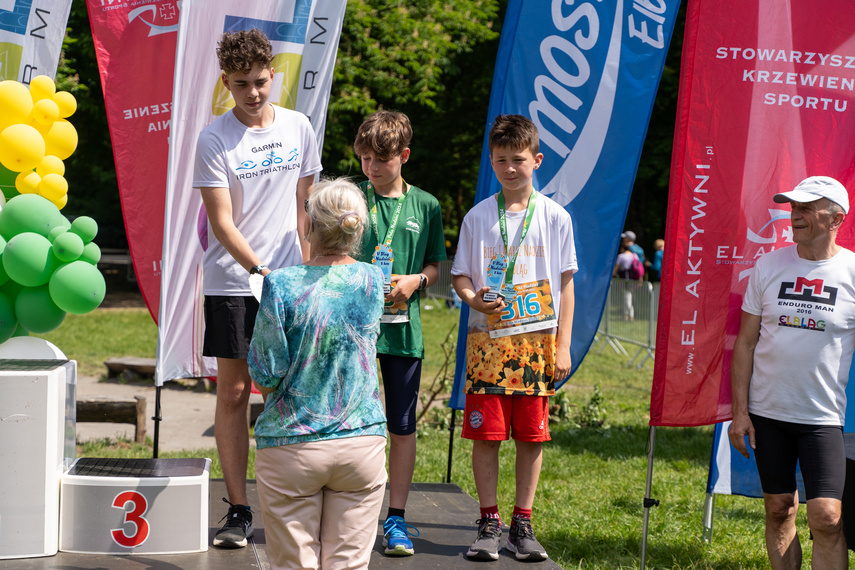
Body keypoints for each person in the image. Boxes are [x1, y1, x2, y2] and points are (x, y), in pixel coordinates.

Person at [192, 28, 321, 548]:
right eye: (241, 83)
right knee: (235, 392)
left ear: (275, 76)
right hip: (233, 282)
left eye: (261, 82)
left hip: (292, 281)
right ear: (226, 82)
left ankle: (294, 504)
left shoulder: (299, 126)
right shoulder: (213, 138)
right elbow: (222, 223)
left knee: (290, 393)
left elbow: (306, 208)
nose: (252, 93)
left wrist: (308, 273)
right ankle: (240, 510)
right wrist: (263, 272)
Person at [451, 114, 576, 561]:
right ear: (491, 160)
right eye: (500, 160)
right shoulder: (478, 217)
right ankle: (488, 522)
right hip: (488, 348)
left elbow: (565, 284)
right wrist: (474, 300)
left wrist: (562, 345)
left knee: (531, 437)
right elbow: (462, 275)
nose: (509, 168)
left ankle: (522, 523)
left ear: (536, 160)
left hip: (537, 348)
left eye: (518, 160)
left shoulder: (556, 217)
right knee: (487, 437)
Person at [248, 178, 388, 570]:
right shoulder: (374, 281)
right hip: (361, 443)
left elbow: (265, 373)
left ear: (310, 225)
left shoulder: (280, 284)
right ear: (357, 227)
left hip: (292, 445)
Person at [728, 175, 855, 570]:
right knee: (779, 509)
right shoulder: (768, 265)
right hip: (768, 414)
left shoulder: (852, 271)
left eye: (805, 208)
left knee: (828, 517)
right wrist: (740, 413)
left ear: (835, 219)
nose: (794, 215)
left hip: (822, 417)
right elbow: (745, 344)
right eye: (792, 207)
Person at [352, 110, 447, 556]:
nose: (372, 167)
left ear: (404, 156)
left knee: (401, 426)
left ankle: (397, 518)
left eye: (382, 159)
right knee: (351, 423)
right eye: (366, 157)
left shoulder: (426, 205)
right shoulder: (350, 198)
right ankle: (351, 512)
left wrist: (416, 282)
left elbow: (434, 264)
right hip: (352, 332)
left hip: (403, 334)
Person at [613, 241, 641, 321]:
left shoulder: (621, 256)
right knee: (627, 296)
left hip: (625, 278)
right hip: (634, 278)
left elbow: (617, 267)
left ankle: (630, 315)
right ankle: (625, 315)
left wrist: (613, 275)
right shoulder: (634, 255)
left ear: (622, 248)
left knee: (627, 297)